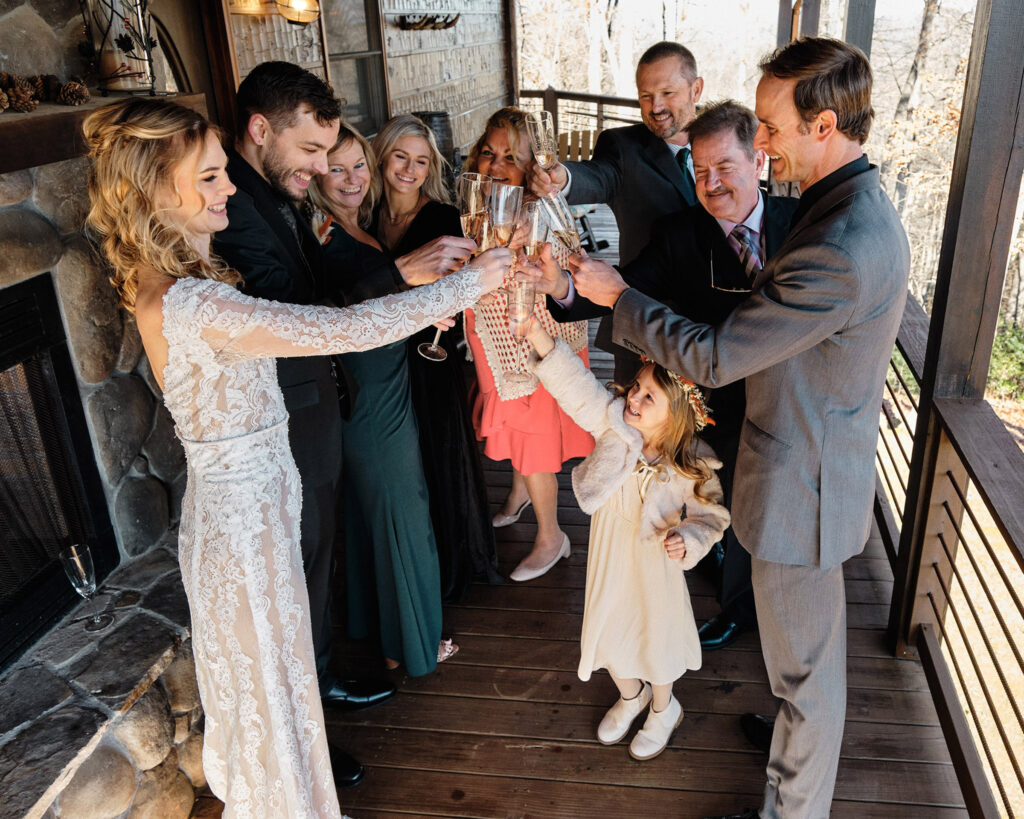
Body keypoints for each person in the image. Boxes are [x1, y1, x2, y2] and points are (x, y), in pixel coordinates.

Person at [83, 97, 505, 817]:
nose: (227, 189)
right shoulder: (190, 303)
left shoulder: (180, 280)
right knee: (269, 702)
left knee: (275, 695)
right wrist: (474, 281)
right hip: (243, 534)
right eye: (211, 177)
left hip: (254, 514)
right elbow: (337, 328)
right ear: (156, 189)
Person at [570, 38, 910, 819]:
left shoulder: (836, 246)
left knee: (807, 686)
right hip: (812, 460)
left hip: (803, 487)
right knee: (802, 675)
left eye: (769, 124)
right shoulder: (846, 207)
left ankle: (791, 810)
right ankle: (792, 773)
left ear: (822, 124)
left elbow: (719, 354)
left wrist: (619, 294)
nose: (760, 142)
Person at [535, 100, 799, 651]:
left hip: (790, 398)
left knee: (773, 505)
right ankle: (733, 604)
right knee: (722, 489)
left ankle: (777, 603)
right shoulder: (680, 233)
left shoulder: (799, 225)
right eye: (700, 170)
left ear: (759, 160)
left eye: (725, 166)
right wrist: (561, 287)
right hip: (712, 398)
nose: (711, 182)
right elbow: (620, 293)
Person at [208, 64, 395, 776]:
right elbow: (294, 302)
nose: (323, 168)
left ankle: (318, 682)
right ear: (261, 130)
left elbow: (323, 272)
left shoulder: (277, 191)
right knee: (296, 576)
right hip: (281, 422)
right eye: (313, 151)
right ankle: (304, 728)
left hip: (315, 408)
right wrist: (401, 277)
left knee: (315, 565)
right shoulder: (233, 203)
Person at [307, 123, 490, 674]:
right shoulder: (326, 232)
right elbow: (338, 307)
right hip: (373, 392)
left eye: (357, 165)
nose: (351, 179)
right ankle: (413, 643)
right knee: (403, 511)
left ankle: (378, 628)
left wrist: (421, 308)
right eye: (336, 169)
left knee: (374, 512)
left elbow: (377, 302)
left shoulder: (349, 225)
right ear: (316, 173)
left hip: (383, 380)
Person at [523, 316, 729, 761]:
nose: (633, 396)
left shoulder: (691, 466)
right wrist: (540, 337)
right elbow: (576, 387)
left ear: (675, 414)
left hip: (655, 568)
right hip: (609, 555)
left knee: (655, 638)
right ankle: (631, 696)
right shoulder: (613, 424)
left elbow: (712, 516)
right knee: (610, 628)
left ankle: (662, 706)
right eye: (636, 386)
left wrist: (689, 539)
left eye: (648, 396)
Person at [369, 114, 502, 599]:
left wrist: (446, 302)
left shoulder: (444, 216)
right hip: (378, 353)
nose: (410, 169)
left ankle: (447, 563)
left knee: (435, 450)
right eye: (401, 157)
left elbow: (464, 284)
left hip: (430, 351)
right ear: (382, 156)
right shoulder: (364, 214)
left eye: (421, 161)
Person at [463, 106, 594, 581]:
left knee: (534, 436)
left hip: (534, 342)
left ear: (531, 168)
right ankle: (519, 492)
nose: (495, 166)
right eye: (488, 153)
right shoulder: (477, 207)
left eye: (510, 158)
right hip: (492, 337)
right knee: (513, 425)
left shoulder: (542, 213)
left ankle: (551, 536)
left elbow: (564, 276)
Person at [529, 40, 705, 385]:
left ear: (696, 89)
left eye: (668, 93)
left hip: (713, 329)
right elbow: (598, 176)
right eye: (645, 96)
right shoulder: (623, 147)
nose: (655, 107)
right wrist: (562, 177)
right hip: (640, 325)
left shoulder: (721, 139)